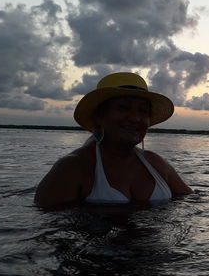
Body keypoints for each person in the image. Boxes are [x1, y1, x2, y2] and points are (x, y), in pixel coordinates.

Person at [34, 72, 194, 208]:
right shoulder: (71, 168)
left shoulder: (156, 164)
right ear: (99, 116)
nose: (135, 118)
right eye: (123, 107)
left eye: (143, 111)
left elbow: (192, 202)